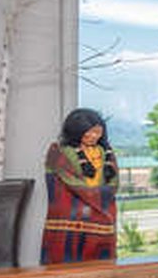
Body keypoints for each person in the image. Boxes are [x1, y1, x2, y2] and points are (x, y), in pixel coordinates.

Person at [41, 108, 120, 263]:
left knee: (100, 266)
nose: (93, 136)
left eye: (97, 132)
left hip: (102, 215)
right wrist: (94, 195)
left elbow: (113, 182)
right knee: (66, 264)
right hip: (71, 216)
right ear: (75, 132)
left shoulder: (106, 153)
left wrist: (101, 194)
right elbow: (71, 182)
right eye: (88, 132)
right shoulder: (60, 152)